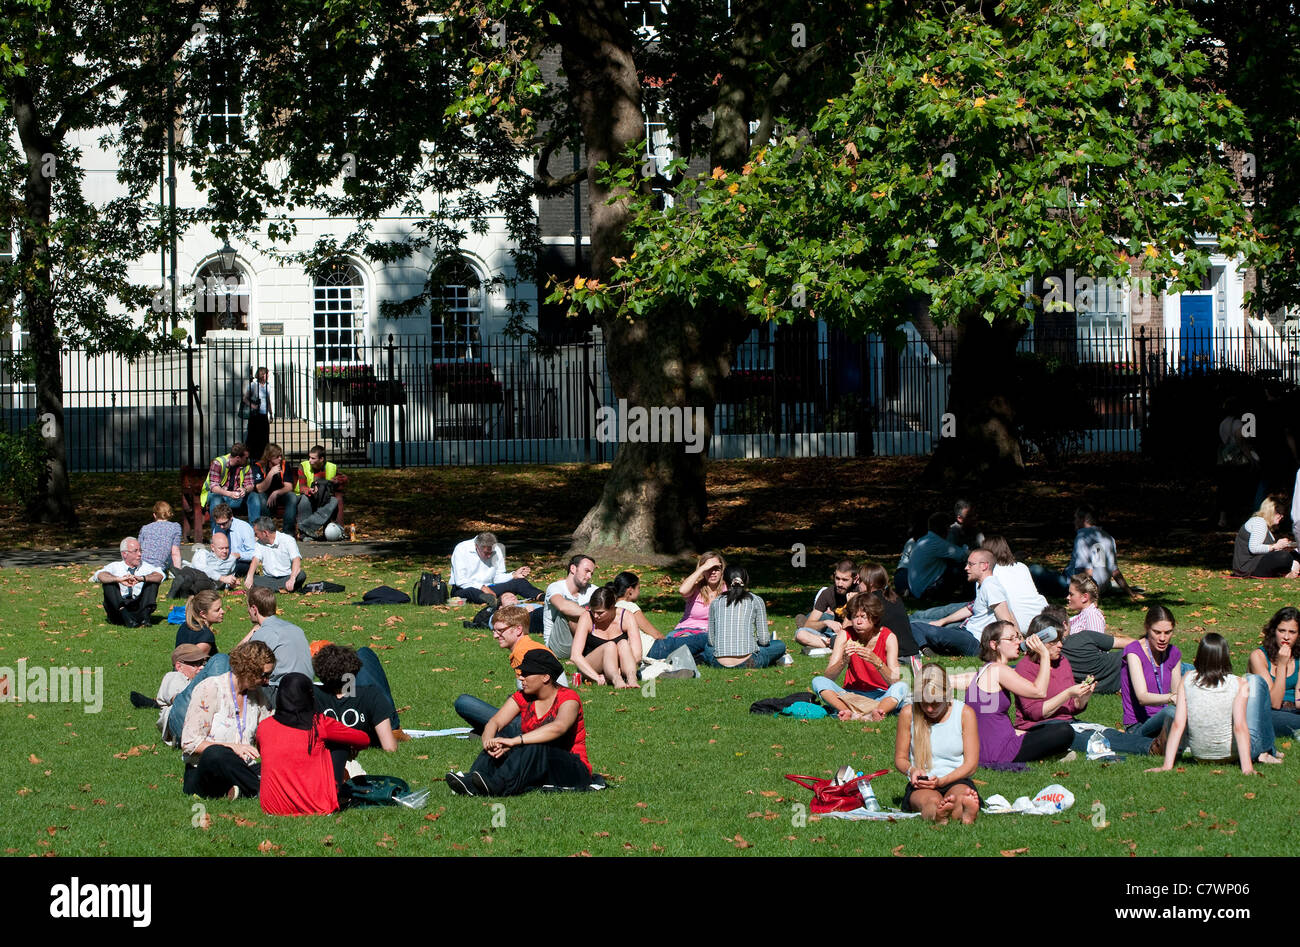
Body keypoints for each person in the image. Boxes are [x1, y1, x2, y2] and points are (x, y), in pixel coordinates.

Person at [447, 650, 599, 796]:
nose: (520, 677)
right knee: (501, 736)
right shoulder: (523, 697)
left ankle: (498, 785)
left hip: (573, 769)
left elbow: (558, 727)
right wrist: (488, 740)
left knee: (535, 744)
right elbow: (495, 721)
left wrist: (515, 741)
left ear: (545, 677)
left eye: (526, 673)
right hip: (537, 764)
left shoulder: (568, 698)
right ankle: (473, 780)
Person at [1012, 613, 1155, 755]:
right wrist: (1068, 693)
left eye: (1061, 640)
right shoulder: (1025, 668)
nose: (1060, 645)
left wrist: (1082, 697)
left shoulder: (1062, 662)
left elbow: (1072, 708)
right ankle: (1150, 748)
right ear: (1039, 642)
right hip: (1040, 727)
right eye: (1054, 642)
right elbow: (1036, 713)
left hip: (1068, 722)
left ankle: (1157, 744)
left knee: (1105, 732)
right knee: (1089, 738)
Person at [1147, 633, 1284, 776]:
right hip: (1232, 755)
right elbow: (1239, 726)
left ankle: (1267, 751)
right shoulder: (1239, 683)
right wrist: (1247, 768)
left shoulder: (1187, 679)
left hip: (1200, 755)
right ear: (1225, 656)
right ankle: (1267, 750)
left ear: (1199, 655)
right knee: (1254, 680)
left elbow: (1178, 724)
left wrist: (1167, 766)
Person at [258, 672, 371, 816]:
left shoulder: (264, 727)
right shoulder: (318, 723)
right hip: (316, 806)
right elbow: (363, 739)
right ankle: (336, 791)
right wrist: (350, 745)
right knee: (339, 743)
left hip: (273, 808)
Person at [964, 620, 1074, 767]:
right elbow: (1039, 691)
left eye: (1018, 637)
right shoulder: (998, 670)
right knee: (1064, 731)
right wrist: (1044, 655)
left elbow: (993, 722)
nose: (1018, 642)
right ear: (994, 644)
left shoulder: (986, 670)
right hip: (1000, 751)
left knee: (1044, 731)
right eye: (1011, 639)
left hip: (990, 746)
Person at [179, 640, 276, 799]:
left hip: (244, 767)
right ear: (249, 671)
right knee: (215, 753)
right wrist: (233, 748)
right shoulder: (210, 688)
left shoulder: (257, 696)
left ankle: (241, 789)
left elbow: (269, 730)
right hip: (207, 770)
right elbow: (189, 743)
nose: (267, 681)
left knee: (275, 765)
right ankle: (264, 791)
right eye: (264, 675)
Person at [454, 604, 559, 735]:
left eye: (500, 630)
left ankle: (497, 732)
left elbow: (534, 698)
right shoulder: (532, 647)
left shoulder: (524, 653)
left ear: (518, 629)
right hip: (547, 719)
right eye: (494, 631)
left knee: (463, 702)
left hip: (535, 725)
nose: (495, 636)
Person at [894, 664, 980, 824]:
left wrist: (943, 781)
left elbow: (971, 765)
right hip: (923, 783)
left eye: (935, 702)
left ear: (947, 696)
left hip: (957, 778)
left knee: (960, 796)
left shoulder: (964, 713)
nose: (929, 708)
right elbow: (900, 758)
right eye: (924, 703)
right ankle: (939, 814)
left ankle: (963, 811)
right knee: (930, 802)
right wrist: (911, 770)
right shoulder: (908, 713)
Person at [811, 593, 911, 720]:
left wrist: (877, 662)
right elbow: (828, 678)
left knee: (902, 686)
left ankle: (876, 712)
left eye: (863, 617)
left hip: (880, 695)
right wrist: (843, 661)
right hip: (851, 694)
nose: (858, 622)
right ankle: (847, 712)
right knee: (818, 681)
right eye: (854, 617)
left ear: (874, 618)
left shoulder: (888, 637)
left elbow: (894, 681)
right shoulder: (845, 635)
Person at [909, 549, 1016, 657]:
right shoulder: (984, 585)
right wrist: (941, 621)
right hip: (966, 632)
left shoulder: (991, 586)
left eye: (970, 564)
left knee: (916, 627)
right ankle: (926, 648)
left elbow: (1005, 618)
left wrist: (1014, 643)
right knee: (918, 627)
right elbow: (970, 609)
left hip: (975, 641)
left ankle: (924, 649)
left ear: (984, 566)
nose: (966, 568)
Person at [1119, 604, 1183, 750]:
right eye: (1157, 632)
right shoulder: (1133, 651)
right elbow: (1142, 697)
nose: (1162, 638)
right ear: (1147, 628)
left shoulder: (1173, 653)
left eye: (1168, 632)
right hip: (1138, 726)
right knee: (1170, 712)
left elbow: (1177, 693)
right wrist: (1170, 698)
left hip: (1164, 720)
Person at [703, 565, 787, 668]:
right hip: (750, 661)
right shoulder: (756, 600)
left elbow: (711, 641)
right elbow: (764, 641)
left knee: (707, 647)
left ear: (724, 581)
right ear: (746, 580)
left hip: (718, 663)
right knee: (779, 645)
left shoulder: (716, 602)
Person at [238, 586, 313, 700]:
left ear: (254, 609)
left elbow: (238, 661)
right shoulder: (295, 628)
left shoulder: (264, 633)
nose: (248, 611)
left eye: (248, 607)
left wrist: (253, 631)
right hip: (308, 689)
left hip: (283, 693)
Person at [615, 571, 707, 663]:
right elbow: (655, 634)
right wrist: (667, 643)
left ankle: (700, 658)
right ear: (630, 590)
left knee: (695, 647)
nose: (639, 592)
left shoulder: (614, 608)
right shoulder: (629, 607)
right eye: (638, 588)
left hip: (643, 652)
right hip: (653, 649)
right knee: (703, 638)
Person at [1062, 575, 1133, 692]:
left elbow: (1097, 652)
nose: (1067, 597)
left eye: (1071, 594)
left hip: (1090, 673)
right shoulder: (1079, 616)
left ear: (1085, 597)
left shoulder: (1092, 616)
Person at [570, 586, 641, 688]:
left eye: (600, 613)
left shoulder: (626, 616)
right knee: (610, 646)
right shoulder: (587, 617)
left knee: (623, 643)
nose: (595, 616)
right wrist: (597, 677)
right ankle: (616, 679)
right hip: (592, 666)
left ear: (612, 607)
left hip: (619, 665)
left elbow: (637, 655)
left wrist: (619, 669)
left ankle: (631, 678)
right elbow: (575, 656)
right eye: (593, 611)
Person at [449, 531, 544, 605]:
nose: (489, 556)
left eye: (492, 553)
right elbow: (460, 580)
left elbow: (497, 577)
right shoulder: (461, 549)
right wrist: (482, 587)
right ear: (476, 546)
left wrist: (513, 575)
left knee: (519, 582)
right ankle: (497, 601)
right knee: (473, 593)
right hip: (465, 588)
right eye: (486, 553)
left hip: (490, 587)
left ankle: (542, 596)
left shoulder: (497, 549)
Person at [1247, 607, 1300, 738]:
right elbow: (1274, 703)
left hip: (1294, 709)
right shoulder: (1259, 657)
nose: (1286, 637)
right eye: (1282, 631)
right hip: (1269, 711)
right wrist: (1282, 665)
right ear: (1273, 631)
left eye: (1292, 632)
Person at [981, 536, 1048, 633]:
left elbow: (980, 608)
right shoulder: (1022, 567)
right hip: (1041, 621)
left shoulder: (988, 574)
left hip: (1016, 626)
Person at [94, 537, 165, 627]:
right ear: (125, 554)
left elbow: (160, 576)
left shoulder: (146, 567)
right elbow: (99, 575)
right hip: (118, 611)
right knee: (109, 582)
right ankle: (127, 618)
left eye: (140, 551)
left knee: (152, 580)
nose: (139, 554)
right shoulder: (115, 566)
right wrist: (118, 579)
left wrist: (141, 578)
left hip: (138, 608)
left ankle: (145, 618)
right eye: (135, 551)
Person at [793, 559, 856, 652]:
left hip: (855, 635)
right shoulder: (828, 593)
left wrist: (851, 606)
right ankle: (834, 644)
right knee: (800, 634)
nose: (839, 584)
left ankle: (834, 644)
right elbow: (808, 624)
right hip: (835, 635)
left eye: (845, 580)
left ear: (855, 579)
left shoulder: (859, 593)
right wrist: (826, 622)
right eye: (837, 578)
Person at [858, 562, 920, 658]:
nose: (857, 583)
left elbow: (851, 633)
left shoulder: (869, 601)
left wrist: (850, 604)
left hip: (896, 657)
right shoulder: (893, 597)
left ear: (870, 582)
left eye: (860, 580)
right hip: (914, 654)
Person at [542, 553, 596, 660]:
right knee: (570, 609)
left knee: (601, 601)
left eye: (591, 573)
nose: (589, 576)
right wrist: (592, 614)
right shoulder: (555, 587)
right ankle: (590, 650)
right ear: (573, 568)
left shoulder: (592, 590)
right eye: (586, 571)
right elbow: (562, 606)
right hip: (558, 645)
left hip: (581, 640)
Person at [1233, 495, 1300, 578]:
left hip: (1254, 565)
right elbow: (1254, 548)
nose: (1282, 516)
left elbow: (1266, 550)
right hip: (1248, 568)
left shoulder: (1264, 525)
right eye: (1279, 513)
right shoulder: (1259, 522)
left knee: (1294, 552)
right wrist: (1276, 546)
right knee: (1284, 556)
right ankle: (1290, 571)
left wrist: (1281, 547)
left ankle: (1291, 570)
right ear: (1271, 511)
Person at [907, 512, 970, 599]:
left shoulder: (926, 539)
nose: (950, 530)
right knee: (965, 567)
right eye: (949, 527)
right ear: (945, 527)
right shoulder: (936, 542)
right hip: (926, 591)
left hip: (918, 590)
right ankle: (968, 596)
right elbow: (963, 555)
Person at [154, 644, 209, 744]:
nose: (201, 667)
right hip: (181, 724)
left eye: (203, 663)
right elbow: (180, 701)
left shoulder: (195, 680)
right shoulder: (174, 676)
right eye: (195, 664)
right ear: (179, 666)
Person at [291, 445, 344, 539]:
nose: (309, 460)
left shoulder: (331, 467)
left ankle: (306, 526)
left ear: (321, 459)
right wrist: (309, 490)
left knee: (334, 501)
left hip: (323, 497)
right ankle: (305, 535)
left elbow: (344, 478)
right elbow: (302, 486)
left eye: (313, 458)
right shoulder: (303, 466)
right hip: (305, 495)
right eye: (309, 457)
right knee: (305, 499)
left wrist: (337, 480)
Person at [200, 442, 260, 525]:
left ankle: (255, 531)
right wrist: (229, 493)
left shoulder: (246, 465)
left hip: (236, 497)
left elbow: (250, 484)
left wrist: (245, 489)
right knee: (216, 499)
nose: (248, 459)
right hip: (219, 495)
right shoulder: (218, 463)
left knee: (254, 496)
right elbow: (214, 487)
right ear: (238, 458)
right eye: (246, 457)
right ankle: (218, 533)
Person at [244, 516, 305, 592]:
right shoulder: (259, 543)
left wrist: (292, 579)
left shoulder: (288, 540)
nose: (255, 536)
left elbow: (296, 559)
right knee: (249, 578)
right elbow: (255, 560)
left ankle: (273, 588)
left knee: (301, 575)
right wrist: (250, 577)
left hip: (287, 577)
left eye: (256, 534)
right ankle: (283, 588)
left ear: (265, 533)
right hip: (268, 579)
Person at [250, 443, 297, 535]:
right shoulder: (258, 466)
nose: (280, 458)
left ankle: (288, 533)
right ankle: (269, 530)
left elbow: (289, 487)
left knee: (292, 497)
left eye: (281, 456)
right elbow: (260, 489)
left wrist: (276, 492)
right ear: (269, 457)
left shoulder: (284, 465)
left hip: (279, 494)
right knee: (261, 498)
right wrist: (271, 474)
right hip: (265, 494)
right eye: (277, 456)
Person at [211, 502, 257, 576]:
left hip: (241, 562)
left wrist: (239, 555)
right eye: (219, 524)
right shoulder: (217, 529)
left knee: (235, 567)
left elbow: (254, 553)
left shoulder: (244, 528)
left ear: (231, 518)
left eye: (224, 523)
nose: (221, 527)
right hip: (223, 561)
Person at [138, 500, 183, 571]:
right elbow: (175, 552)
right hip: (159, 566)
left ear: (154, 515)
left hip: (142, 564)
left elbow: (139, 549)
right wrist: (178, 571)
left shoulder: (145, 528)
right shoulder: (175, 527)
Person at [176, 590, 224, 656]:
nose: (223, 611)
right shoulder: (206, 636)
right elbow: (193, 661)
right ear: (203, 614)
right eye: (217, 610)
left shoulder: (185, 625)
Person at [243, 367, 273, 461]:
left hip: (263, 415)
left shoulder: (268, 386)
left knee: (264, 438)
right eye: (267, 374)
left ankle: (262, 458)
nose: (268, 375)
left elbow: (268, 400)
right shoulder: (253, 385)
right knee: (253, 438)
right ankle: (252, 458)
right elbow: (245, 399)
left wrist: (271, 413)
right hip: (255, 416)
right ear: (262, 374)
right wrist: (253, 406)